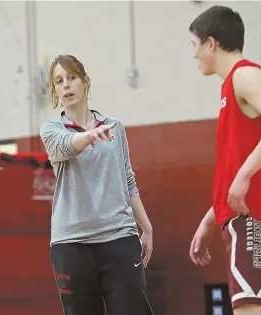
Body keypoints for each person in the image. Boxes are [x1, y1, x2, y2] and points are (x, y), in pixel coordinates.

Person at [188, 6, 261, 315]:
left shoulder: (245, 75)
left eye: (194, 46)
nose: (194, 55)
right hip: (247, 219)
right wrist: (209, 220)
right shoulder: (230, 86)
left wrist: (244, 174)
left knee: (249, 310)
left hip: (256, 219)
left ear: (211, 43)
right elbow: (234, 170)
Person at [39, 54, 154, 315]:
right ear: (55, 90)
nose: (66, 85)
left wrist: (146, 227)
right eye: (59, 81)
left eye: (71, 78)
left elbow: (128, 180)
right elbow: (67, 147)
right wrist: (89, 135)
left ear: (85, 81)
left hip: (119, 237)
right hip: (71, 244)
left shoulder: (115, 127)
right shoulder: (52, 130)